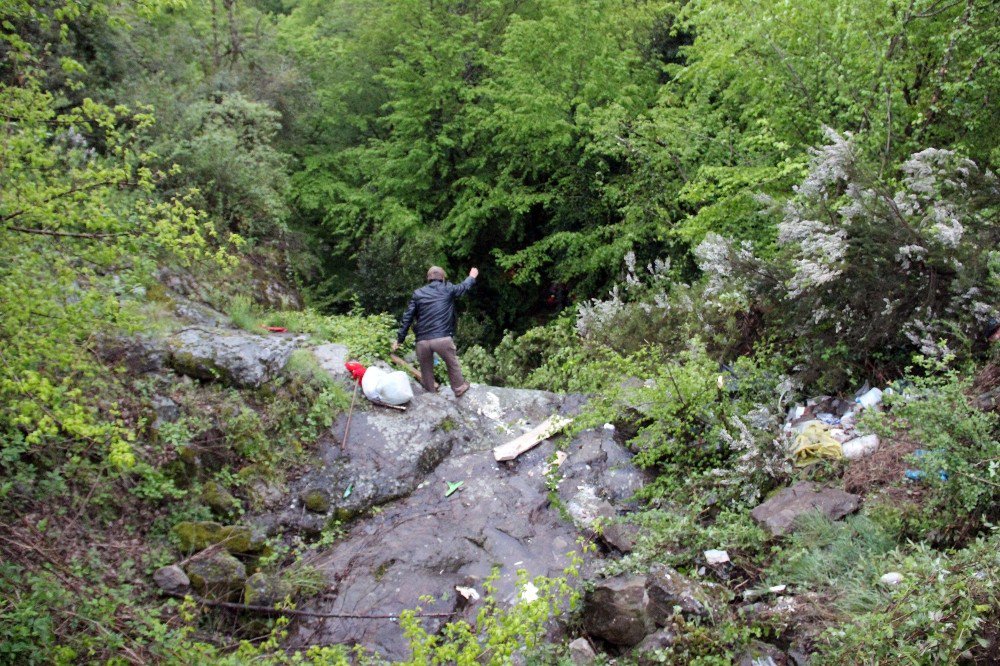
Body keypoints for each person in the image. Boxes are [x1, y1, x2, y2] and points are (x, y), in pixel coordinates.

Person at [393, 265, 479, 397]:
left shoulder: (418, 293)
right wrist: (471, 277)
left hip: (422, 341)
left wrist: (399, 339)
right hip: (442, 339)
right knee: (452, 363)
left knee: (426, 371)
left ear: (428, 279)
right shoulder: (447, 288)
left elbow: (407, 317)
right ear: (443, 277)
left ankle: (430, 395)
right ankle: (459, 388)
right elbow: (463, 287)